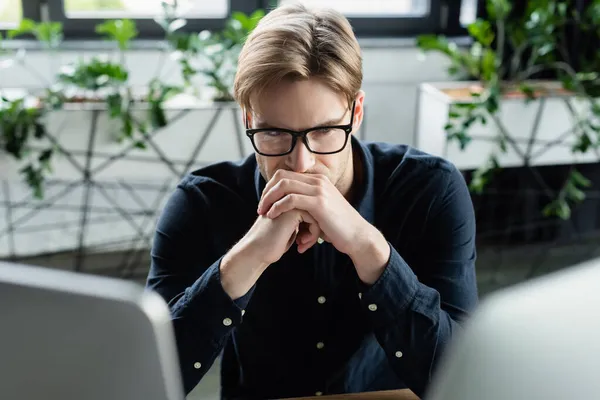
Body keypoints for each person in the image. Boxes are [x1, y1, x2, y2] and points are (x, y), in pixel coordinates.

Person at [146, 3, 478, 400]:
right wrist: (245, 260)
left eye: (322, 132)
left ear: (355, 113)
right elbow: (147, 380)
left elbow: (463, 378)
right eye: (273, 133)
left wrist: (368, 248)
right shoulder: (200, 202)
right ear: (248, 120)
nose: (300, 162)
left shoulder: (430, 189)